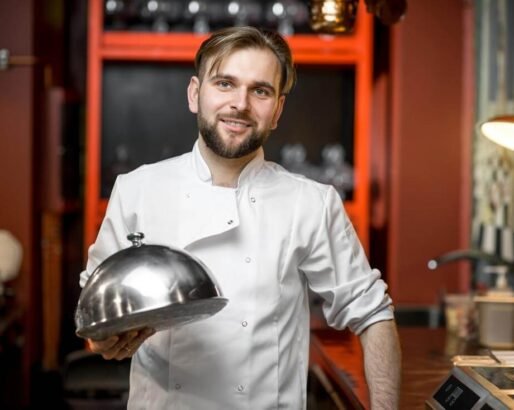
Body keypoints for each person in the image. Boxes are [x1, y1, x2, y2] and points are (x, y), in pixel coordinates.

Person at [80, 26, 401, 409]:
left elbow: (373, 314)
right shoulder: (137, 189)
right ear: (195, 94)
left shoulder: (311, 203)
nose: (241, 104)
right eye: (225, 84)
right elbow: (96, 313)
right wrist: (106, 340)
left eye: (260, 90)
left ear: (277, 110)